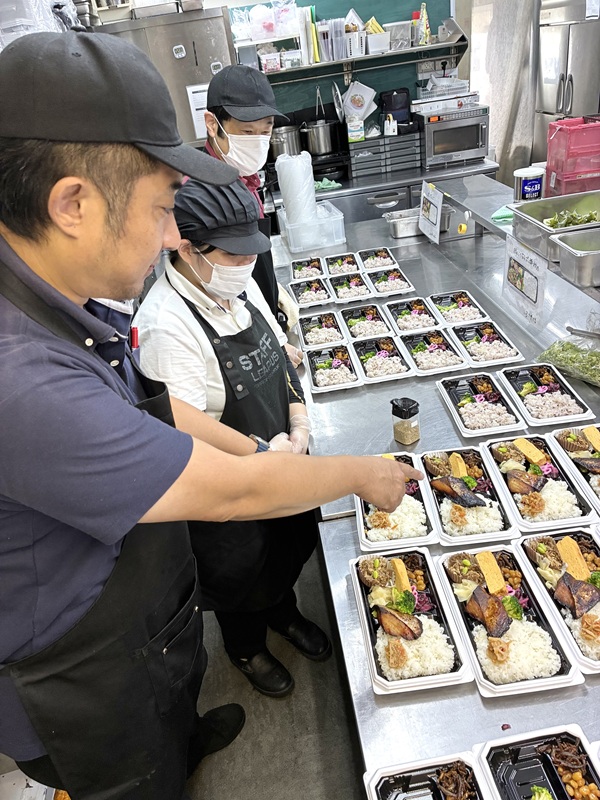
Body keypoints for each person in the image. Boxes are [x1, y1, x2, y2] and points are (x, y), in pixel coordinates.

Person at [0, 31, 419, 800]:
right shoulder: (21, 379)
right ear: (72, 204)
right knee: (141, 777)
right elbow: (229, 493)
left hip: (145, 611)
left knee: (175, 716)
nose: (172, 236)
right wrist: (359, 474)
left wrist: (268, 447)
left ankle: (185, 736)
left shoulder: (66, 294)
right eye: (162, 208)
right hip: (83, 672)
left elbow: (157, 412)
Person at [134, 178, 325, 698]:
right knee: (243, 578)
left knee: (285, 555)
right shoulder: (166, 326)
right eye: (233, 255)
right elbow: (186, 437)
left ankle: (284, 614)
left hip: (283, 464)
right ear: (188, 250)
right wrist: (263, 454)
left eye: (251, 252)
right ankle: (246, 648)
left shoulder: (236, 286)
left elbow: (278, 357)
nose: (245, 265)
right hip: (231, 490)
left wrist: (299, 420)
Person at [204, 65, 303, 366]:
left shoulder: (245, 178)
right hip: (239, 340)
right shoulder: (205, 195)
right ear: (212, 124)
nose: (258, 141)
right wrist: (271, 339)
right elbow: (218, 291)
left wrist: (271, 288)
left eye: (265, 131)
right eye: (247, 132)